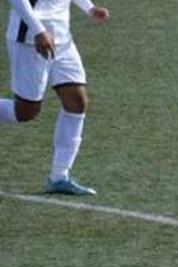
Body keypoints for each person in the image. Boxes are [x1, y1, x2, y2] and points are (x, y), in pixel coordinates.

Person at [2, 0, 109, 195]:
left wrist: (89, 8)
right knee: (25, 111)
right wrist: (38, 30)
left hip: (62, 38)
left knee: (77, 102)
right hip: (29, 40)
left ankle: (59, 177)